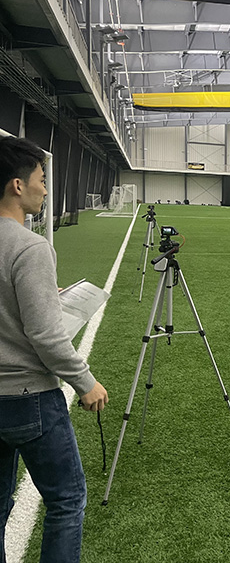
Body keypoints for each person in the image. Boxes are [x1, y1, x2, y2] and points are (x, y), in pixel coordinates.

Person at [0, 136, 108, 563]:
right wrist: (86, 383)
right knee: (66, 500)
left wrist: (44, 293)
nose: (46, 189)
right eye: (41, 180)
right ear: (17, 185)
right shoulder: (30, 246)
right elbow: (46, 336)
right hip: (30, 399)